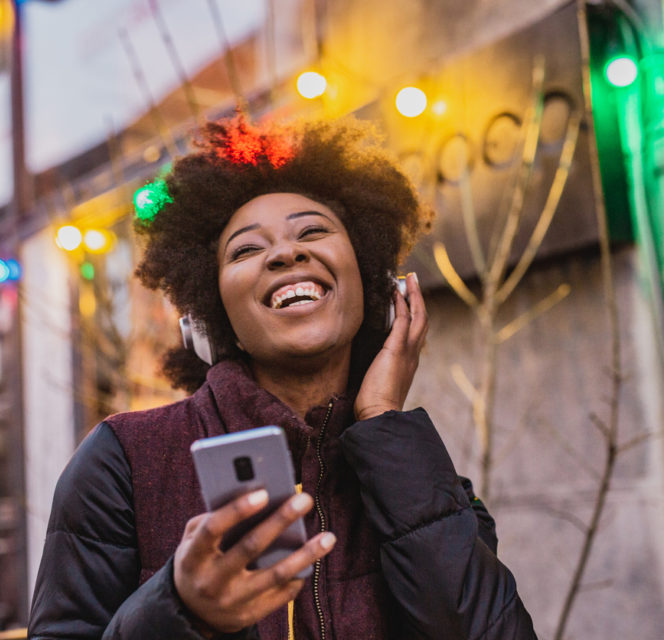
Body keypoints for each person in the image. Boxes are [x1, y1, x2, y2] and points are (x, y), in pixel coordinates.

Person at [28, 116, 537, 639]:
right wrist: (181, 610)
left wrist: (385, 418)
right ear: (209, 319)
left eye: (313, 231)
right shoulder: (125, 461)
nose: (286, 253)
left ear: (376, 287)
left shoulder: (418, 475)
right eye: (247, 249)